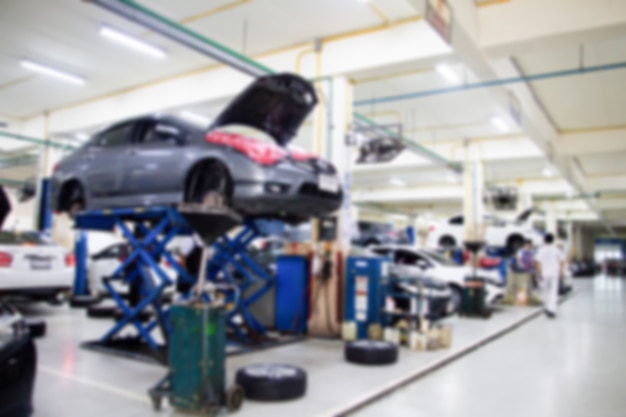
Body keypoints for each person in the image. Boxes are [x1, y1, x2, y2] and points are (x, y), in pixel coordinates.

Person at [534, 233, 565, 318]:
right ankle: (552, 310)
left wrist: (538, 273)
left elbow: (537, 263)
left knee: (545, 290)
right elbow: (562, 261)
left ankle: (547, 308)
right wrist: (561, 271)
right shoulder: (556, 250)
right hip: (554, 273)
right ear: (552, 240)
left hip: (545, 273)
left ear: (544, 240)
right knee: (553, 291)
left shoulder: (541, 250)